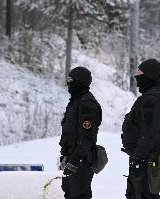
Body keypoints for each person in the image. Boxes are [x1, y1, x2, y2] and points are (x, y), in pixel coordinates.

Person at [121, 59, 160, 199]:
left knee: (143, 195)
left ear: (150, 75)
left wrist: (138, 158)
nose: (136, 76)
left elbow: (149, 133)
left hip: (146, 159)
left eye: (140, 73)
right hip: (145, 157)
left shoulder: (152, 100)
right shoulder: (152, 96)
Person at [59, 66, 102, 199]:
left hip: (81, 161)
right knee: (69, 194)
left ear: (80, 82)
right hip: (71, 158)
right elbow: (69, 134)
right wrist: (64, 156)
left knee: (79, 195)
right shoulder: (76, 102)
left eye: (71, 80)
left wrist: (75, 160)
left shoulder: (87, 104)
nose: (68, 83)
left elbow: (87, 138)